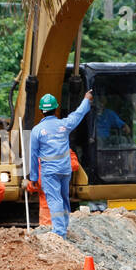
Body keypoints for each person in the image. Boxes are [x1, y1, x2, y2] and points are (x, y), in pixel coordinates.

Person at [27, 90, 92, 237]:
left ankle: (59, 232)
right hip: (65, 170)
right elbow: (78, 114)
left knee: (55, 200)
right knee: (63, 198)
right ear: (56, 108)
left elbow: (33, 155)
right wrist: (86, 100)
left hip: (49, 172)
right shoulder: (64, 125)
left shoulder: (37, 131)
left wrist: (33, 177)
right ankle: (64, 226)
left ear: (41, 111)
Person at [28, 149, 85, 228]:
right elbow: (38, 182)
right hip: (46, 202)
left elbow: (74, 165)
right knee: (46, 229)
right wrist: (29, 185)